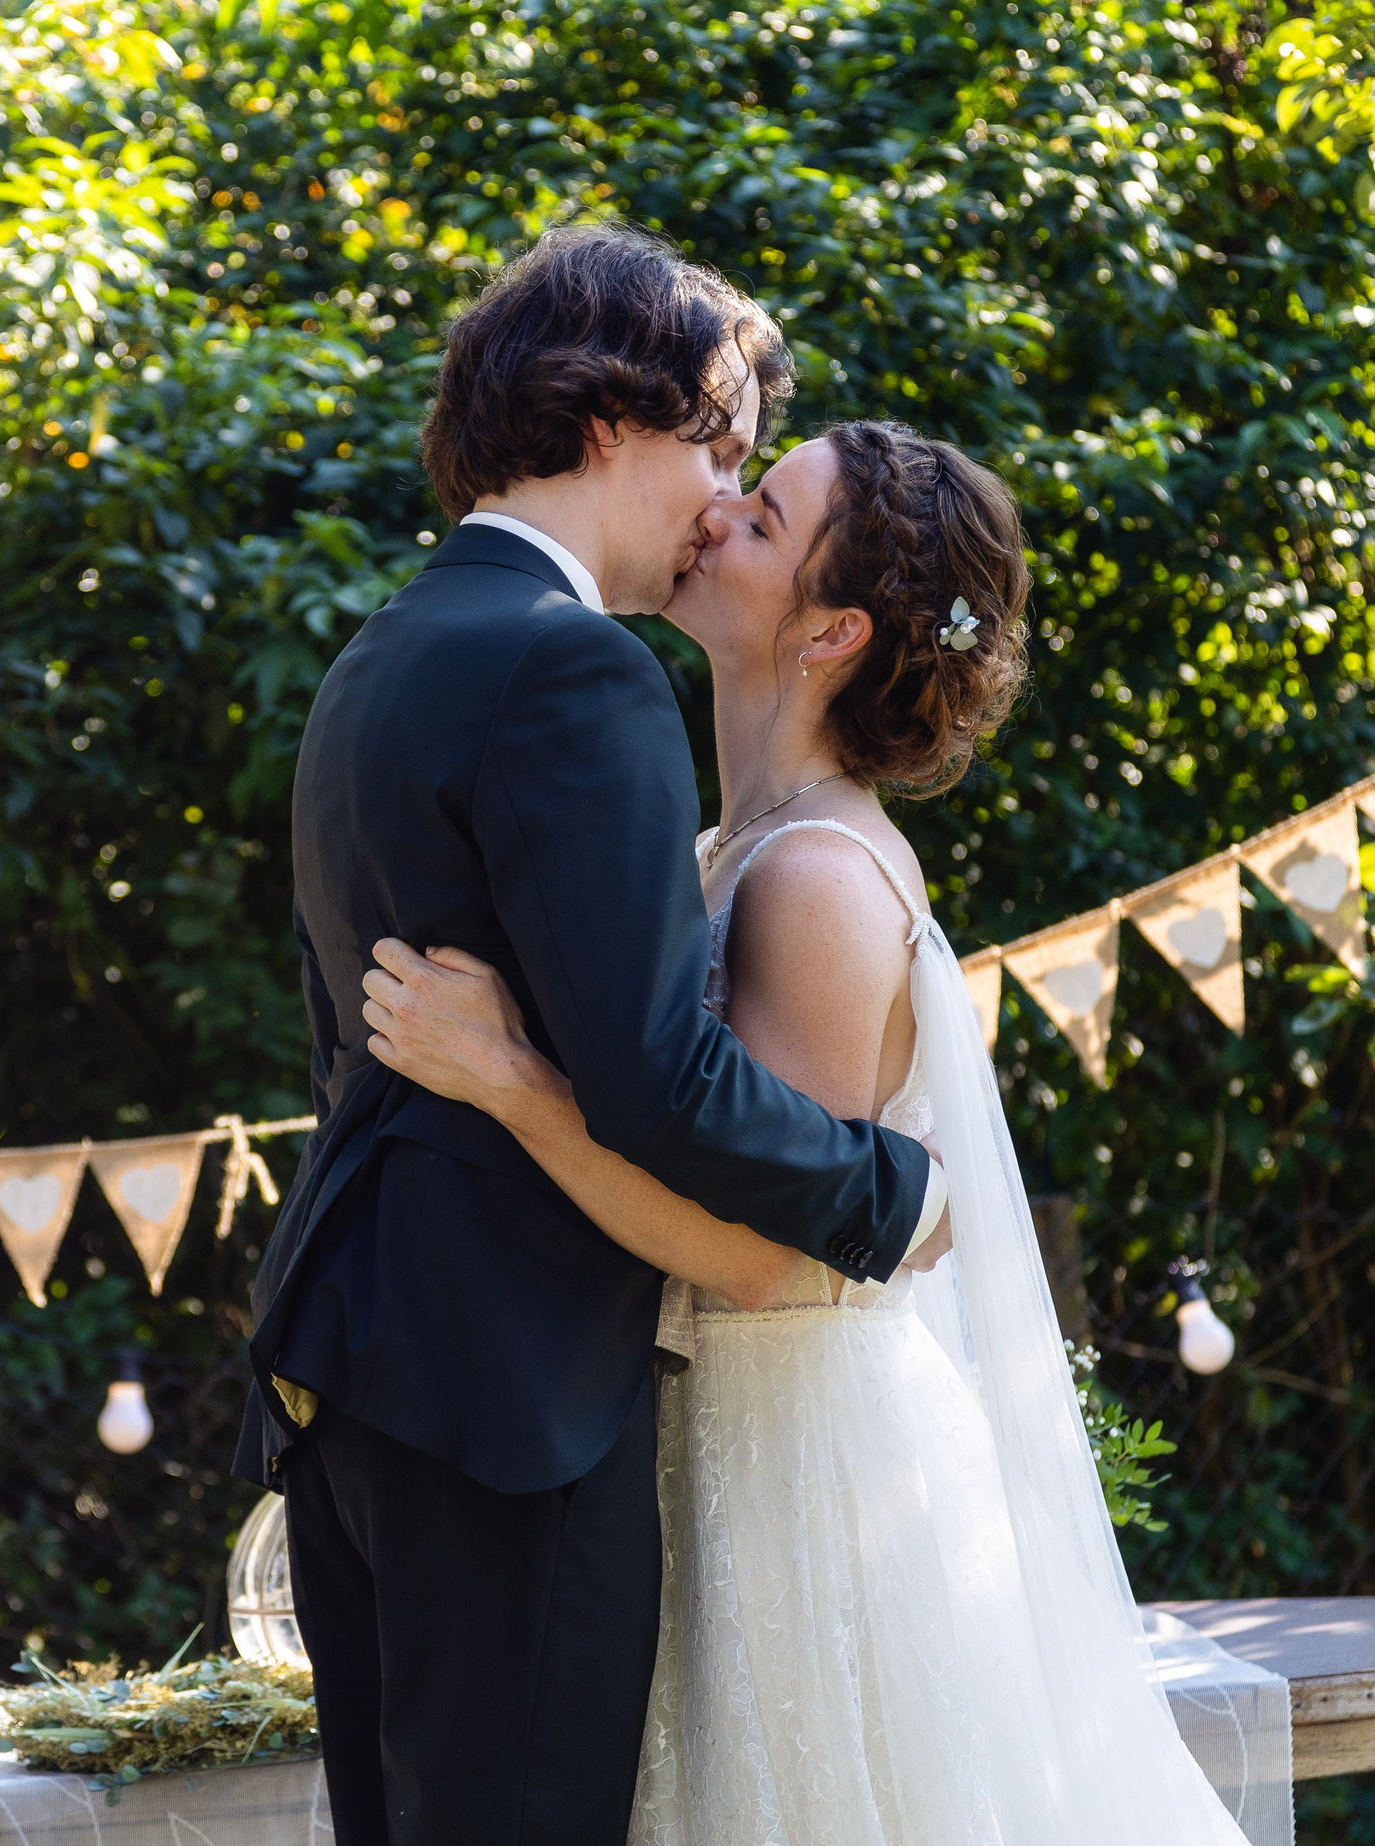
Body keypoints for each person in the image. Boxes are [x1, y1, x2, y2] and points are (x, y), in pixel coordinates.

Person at [361, 420, 1284, 1843]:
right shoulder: (729, 849)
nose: (719, 510)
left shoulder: (814, 880)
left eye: (767, 517)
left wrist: (505, 1079)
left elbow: (763, 1263)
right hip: (716, 1447)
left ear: (830, 630)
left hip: (806, 1487)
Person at [232, 225, 949, 1846]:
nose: (721, 503)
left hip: (358, 1373)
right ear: (612, 416)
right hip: (507, 1399)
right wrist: (884, 1194)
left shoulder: (382, 652)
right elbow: (654, 1079)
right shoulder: (574, 668)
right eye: (722, 450)